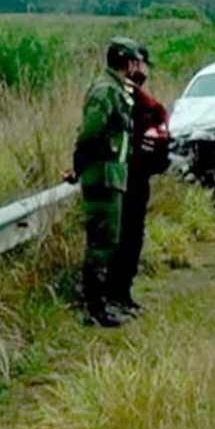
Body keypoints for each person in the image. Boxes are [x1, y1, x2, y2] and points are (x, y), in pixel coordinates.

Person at [66, 36, 145, 327]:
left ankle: (101, 304)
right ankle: (95, 308)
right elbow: (90, 133)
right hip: (102, 176)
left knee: (108, 241)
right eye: (135, 60)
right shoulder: (105, 91)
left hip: (113, 174)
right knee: (100, 243)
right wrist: (78, 166)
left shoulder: (117, 89)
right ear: (127, 61)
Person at [106, 47, 170, 317]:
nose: (144, 70)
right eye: (140, 64)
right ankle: (113, 296)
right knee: (121, 238)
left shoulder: (143, 101)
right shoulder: (119, 95)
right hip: (122, 175)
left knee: (133, 237)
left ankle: (123, 294)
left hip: (138, 175)